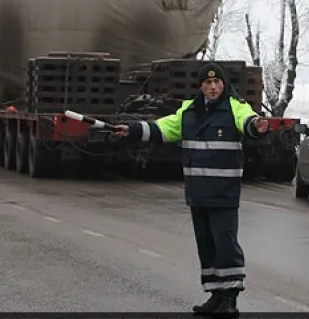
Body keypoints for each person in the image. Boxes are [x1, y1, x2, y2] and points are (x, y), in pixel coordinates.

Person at [112, 63, 268, 315]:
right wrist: (131, 129)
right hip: (198, 194)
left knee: (225, 245)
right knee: (206, 246)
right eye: (208, 83)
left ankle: (230, 299)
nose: (213, 87)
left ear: (224, 85)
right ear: (201, 87)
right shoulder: (189, 111)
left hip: (223, 194)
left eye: (217, 82)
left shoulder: (235, 108)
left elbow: (248, 122)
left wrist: (256, 126)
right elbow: (162, 128)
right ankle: (215, 296)